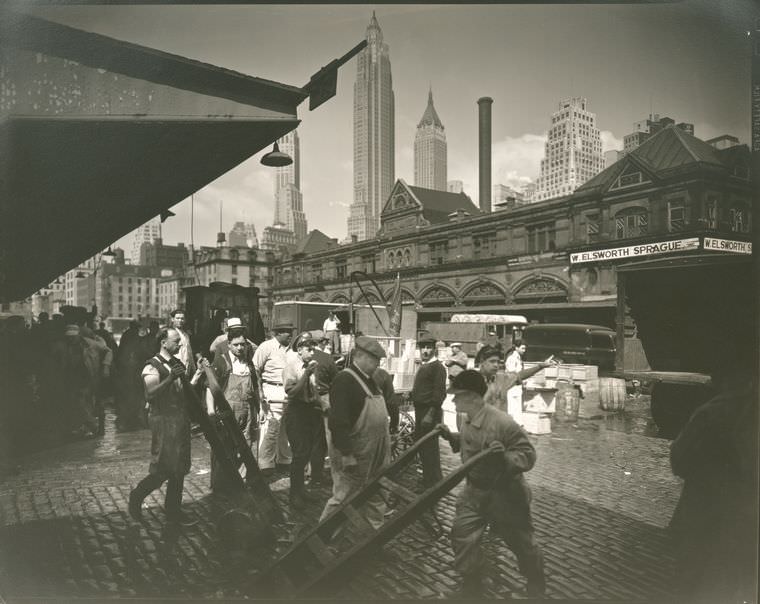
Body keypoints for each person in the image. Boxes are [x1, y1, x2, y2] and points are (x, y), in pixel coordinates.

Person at [442, 370, 545, 598]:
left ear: (473, 397)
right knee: (462, 535)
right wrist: (452, 437)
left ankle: (536, 579)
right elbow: (471, 444)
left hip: (505, 494)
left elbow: (528, 454)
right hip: (474, 491)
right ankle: (472, 581)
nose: (453, 400)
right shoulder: (466, 417)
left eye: (457, 395)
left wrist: (505, 458)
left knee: (521, 543)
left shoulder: (502, 423)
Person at [669, 359, 757, 604]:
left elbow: (679, 459)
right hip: (748, 520)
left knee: (697, 585)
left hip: (706, 514)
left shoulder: (713, 411)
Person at [129, 328, 205, 526]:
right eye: (175, 341)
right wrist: (170, 378)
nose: (179, 344)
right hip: (163, 421)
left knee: (179, 468)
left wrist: (198, 374)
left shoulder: (175, 363)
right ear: (163, 342)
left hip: (179, 419)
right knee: (163, 468)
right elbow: (150, 394)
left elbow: (183, 388)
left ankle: (173, 512)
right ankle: (137, 497)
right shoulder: (152, 366)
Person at [319, 336, 391, 529]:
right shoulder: (345, 380)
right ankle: (323, 541)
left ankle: (372, 539)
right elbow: (338, 422)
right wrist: (347, 454)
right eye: (375, 359)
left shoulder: (371, 381)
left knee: (378, 493)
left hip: (376, 451)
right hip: (355, 452)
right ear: (360, 356)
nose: (378, 364)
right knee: (344, 498)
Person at [206, 326, 259, 494]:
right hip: (227, 410)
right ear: (229, 344)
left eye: (243, 344)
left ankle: (241, 482)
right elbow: (210, 387)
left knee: (246, 445)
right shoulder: (222, 362)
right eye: (236, 345)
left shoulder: (248, 362)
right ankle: (219, 484)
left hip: (247, 410)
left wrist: (259, 409)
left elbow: (255, 388)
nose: (240, 348)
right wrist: (211, 411)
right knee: (224, 446)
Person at [282, 336, 323, 509]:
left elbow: (314, 390)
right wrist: (306, 375)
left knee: (306, 453)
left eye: (314, 349)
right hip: (296, 412)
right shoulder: (291, 367)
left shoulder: (311, 367)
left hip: (310, 412)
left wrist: (322, 404)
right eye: (309, 349)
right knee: (299, 455)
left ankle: (302, 491)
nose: (313, 353)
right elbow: (292, 393)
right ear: (299, 350)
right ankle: (294, 495)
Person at [252, 324, 294, 477]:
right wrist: (260, 391)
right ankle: (265, 464)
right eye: (286, 332)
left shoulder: (292, 350)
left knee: (285, 428)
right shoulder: (266, 347)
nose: (289, 335)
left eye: (291, 332)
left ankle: (284, 461)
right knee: (270, 427)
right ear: (276, 333)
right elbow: (255, 368)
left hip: (287, 391)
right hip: (271, 389)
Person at [477, 345, 554, 424]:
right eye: (492, 361)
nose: (496, 365)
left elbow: (520, 375)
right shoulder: (472, 381)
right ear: (482, 361)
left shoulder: (501, 379)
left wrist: (540, 366)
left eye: (498, 362)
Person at [410, 336, 447, 487]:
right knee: (423, 447)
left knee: (429, 447)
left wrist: (430, 414)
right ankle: (428, 478)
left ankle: (433, 481)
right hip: (421, 411)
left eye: (428, 347)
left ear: (434, 349)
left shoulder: (437, 367)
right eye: (422, 347)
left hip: (429, 412)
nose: (425, 351)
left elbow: (439, 393)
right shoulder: (425, 365)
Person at [169, 309, 195, 378]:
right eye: (177, 318)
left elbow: (189, 352)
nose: (180, 320)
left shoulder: (186, 335)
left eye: (182, 318)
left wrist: (193, 369)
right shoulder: (170, 334)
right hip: (176, 369)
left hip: (187, 369)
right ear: (172, 319)